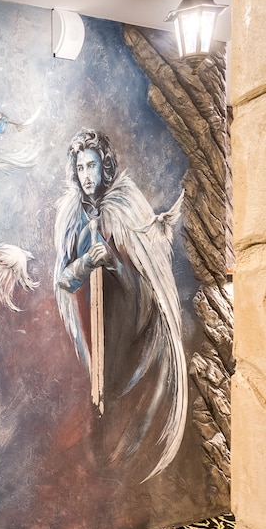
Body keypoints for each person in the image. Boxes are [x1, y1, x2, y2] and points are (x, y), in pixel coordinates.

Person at [53, 128, 187, 482]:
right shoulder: (72, 217)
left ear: (105, 167)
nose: (86, 175)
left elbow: (144, 285)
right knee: (100, 401)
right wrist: (86, 263)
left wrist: (112, 260)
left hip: (129, 326)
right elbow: (64, 281)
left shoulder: (125, 207)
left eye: (92, 166)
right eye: (80, 167)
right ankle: (101, 469)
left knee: (124, 400)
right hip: (94, 326)